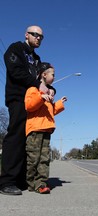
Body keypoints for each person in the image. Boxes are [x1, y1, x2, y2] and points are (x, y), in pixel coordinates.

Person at [0, 26, 51, 195]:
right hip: (18, 99)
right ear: (26, 35)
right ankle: (7, 181)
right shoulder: (16, 48)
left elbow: (43, 80)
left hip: (34, 102)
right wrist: (38, 85)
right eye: (35, 35)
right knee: (16, 136)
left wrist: (50, 90)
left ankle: (22, 178)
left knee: (28, 140)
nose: (38, 38)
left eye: (41, 37)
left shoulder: (36, 58)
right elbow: (15, 71)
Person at [25, 62, 67, 194]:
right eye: (52, 75)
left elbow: (51, 112)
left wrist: (59, 103)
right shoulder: (33, 90)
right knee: (33, 158)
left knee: (44, 159)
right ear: (44, 74)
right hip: (34, 130)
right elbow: (29, 106)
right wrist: (41, 97)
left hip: (46, 130)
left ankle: (41, 183)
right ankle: (30, 182)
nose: (54, 77)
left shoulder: (50, 94)